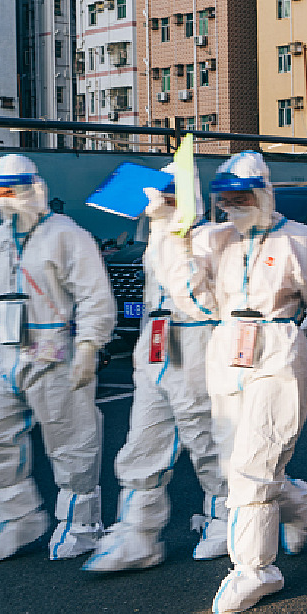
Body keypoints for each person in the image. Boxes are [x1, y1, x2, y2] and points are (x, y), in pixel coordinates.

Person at [156, 150, 307, 614]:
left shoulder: (297, 240)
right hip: (227, 348)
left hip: (277, 348)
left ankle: (255, 568)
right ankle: (294, 500)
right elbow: (191, 297)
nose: (233, 205)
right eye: (225, 198)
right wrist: (173, 235)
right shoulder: (213, 240)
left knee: (255, 461)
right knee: (237, 465)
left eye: (241, 196)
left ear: (263, 193)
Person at [82, 165, 229, 573]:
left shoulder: (213, 239)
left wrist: (175, 235)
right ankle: (137, 532)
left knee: (206, 438)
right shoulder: (155, 240)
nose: (158, 203)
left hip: (197, 343)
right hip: (157, 346)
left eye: (168, 194)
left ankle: (226, 517)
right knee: (143, 442)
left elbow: (198, 299)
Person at [0, 154, 115, 565]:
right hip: (4, 352)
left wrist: (89, 346)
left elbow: (94, 296)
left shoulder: (66, 235)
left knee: (70, 441)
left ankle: (81, 524)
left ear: (33, 188)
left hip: (55, 352)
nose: (6, 199)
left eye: (13, 190)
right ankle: (14, 516)